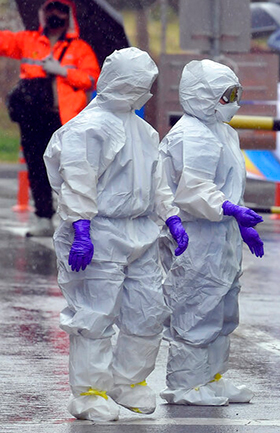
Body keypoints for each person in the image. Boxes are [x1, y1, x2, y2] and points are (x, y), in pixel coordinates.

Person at [43, 47, 189, 421]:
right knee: (95, 314)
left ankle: (128, 381)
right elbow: (77, 181)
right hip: (101, 230)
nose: (146, 92)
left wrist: (171, 218)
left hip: (141, 230)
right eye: (141, 84)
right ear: (125, 84)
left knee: (148, 310)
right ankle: (89, 392)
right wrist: (81, 228)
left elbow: (157, 182)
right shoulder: (87, 129)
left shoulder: (143, 131)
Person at [159, 59, 264, 406]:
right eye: (226, 95)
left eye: (235, 94)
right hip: (196, 235)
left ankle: (213, 377)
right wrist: (230, 209)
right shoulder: (190, 135)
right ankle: (186, 384)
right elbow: (194, 190)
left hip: (222, 235)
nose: (234, 103)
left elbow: (229, 183)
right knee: (195, 307)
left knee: (222, 310)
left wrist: (240, 222)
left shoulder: (224, 132)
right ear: (202, 96)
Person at [0, 0, 99, 237]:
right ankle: (43, 217)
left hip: (65, 120)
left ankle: (76, 220)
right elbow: (4, 42)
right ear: (43, 13)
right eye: (50, 8)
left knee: (70, 171)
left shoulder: (80, 48)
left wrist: (63, 72)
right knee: (37, 167)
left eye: (61, 9)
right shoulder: (29, 40)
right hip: (33, 118)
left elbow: (91, 79)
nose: (55, 13)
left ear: (69, 15)